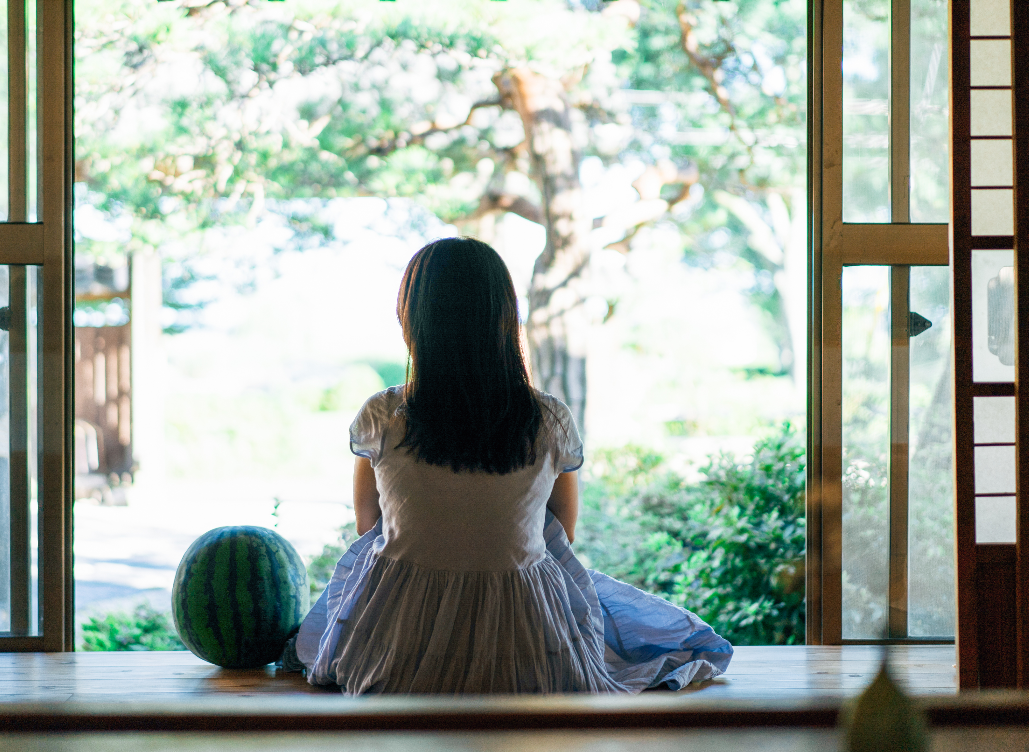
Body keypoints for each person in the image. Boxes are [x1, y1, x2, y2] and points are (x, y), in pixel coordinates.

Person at [293, 237, 732, 695]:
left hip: (397, 651)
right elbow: (563, 530)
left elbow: (368, 525)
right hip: (528, 648)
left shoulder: (383, 415)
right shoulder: (549, 419)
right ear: (504, 319)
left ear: (412, 319)